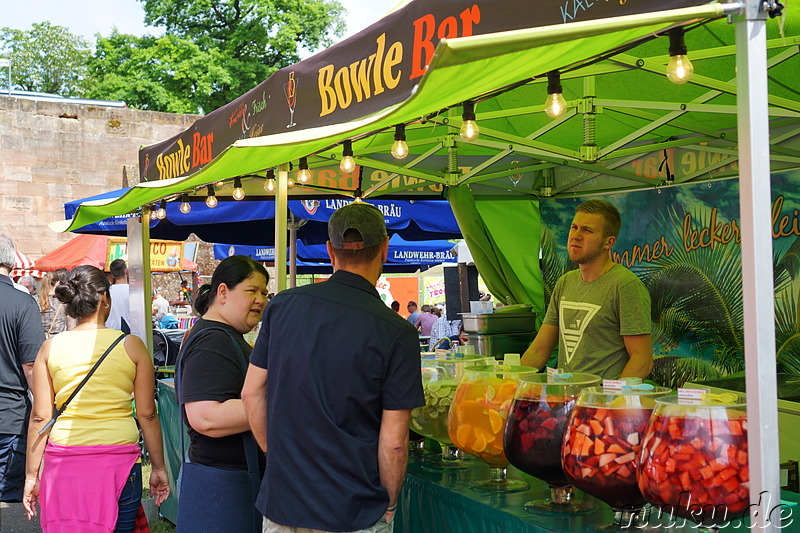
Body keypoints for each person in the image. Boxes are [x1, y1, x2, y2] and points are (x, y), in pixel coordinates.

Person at [242, 202, 424, 533]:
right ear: (384, 249)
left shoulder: (282, 306)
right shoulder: (397, 331)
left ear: (330, 251)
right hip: (353, 509)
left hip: (284, 503)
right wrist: (392, 502)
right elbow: (395, 440)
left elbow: (251, 392)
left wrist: (279, 456)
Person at [22, 265, 169, 531]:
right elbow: (146, 413)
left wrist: (32, 475)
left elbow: (41, 417)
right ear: (104, 298)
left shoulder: (50, 348)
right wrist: (157, 468)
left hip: (64, 461)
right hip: (119, 461)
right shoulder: (132, 345)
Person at [176, 255, 269, 533]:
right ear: (223, 292)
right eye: (251, 291)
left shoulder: (220, 335)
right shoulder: (214, 340)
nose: (261, 300)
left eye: (264, 292)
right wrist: (281, 401)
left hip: (227, 487)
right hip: (224, 493)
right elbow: (205, 417)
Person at [521, 199, 653, 380]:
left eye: (587, 230)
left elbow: (642, 360)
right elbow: (539, 350)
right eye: (574, 227)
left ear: (608, 242)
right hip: (564, 399)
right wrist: (508, 385)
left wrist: (612, 402)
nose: (575, 235)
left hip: (600, 402)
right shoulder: (565, 283)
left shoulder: (625, 286)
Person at [0, 234, 45, 503]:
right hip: (9, 418)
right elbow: (31, 366)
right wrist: (44, 408)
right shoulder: (23, 303)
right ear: (13, 265)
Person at [105, 259, 131, 333]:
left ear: (112, 275)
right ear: (126, 271)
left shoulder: (107, 292)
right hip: (130, 334)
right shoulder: (134, 292)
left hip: (111, 334)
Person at [39, 272, 67, 338]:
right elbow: (71, 324)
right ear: (57, 283)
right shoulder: (63, 301)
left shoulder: (36, 300)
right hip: (60, 339)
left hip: (42, 339)